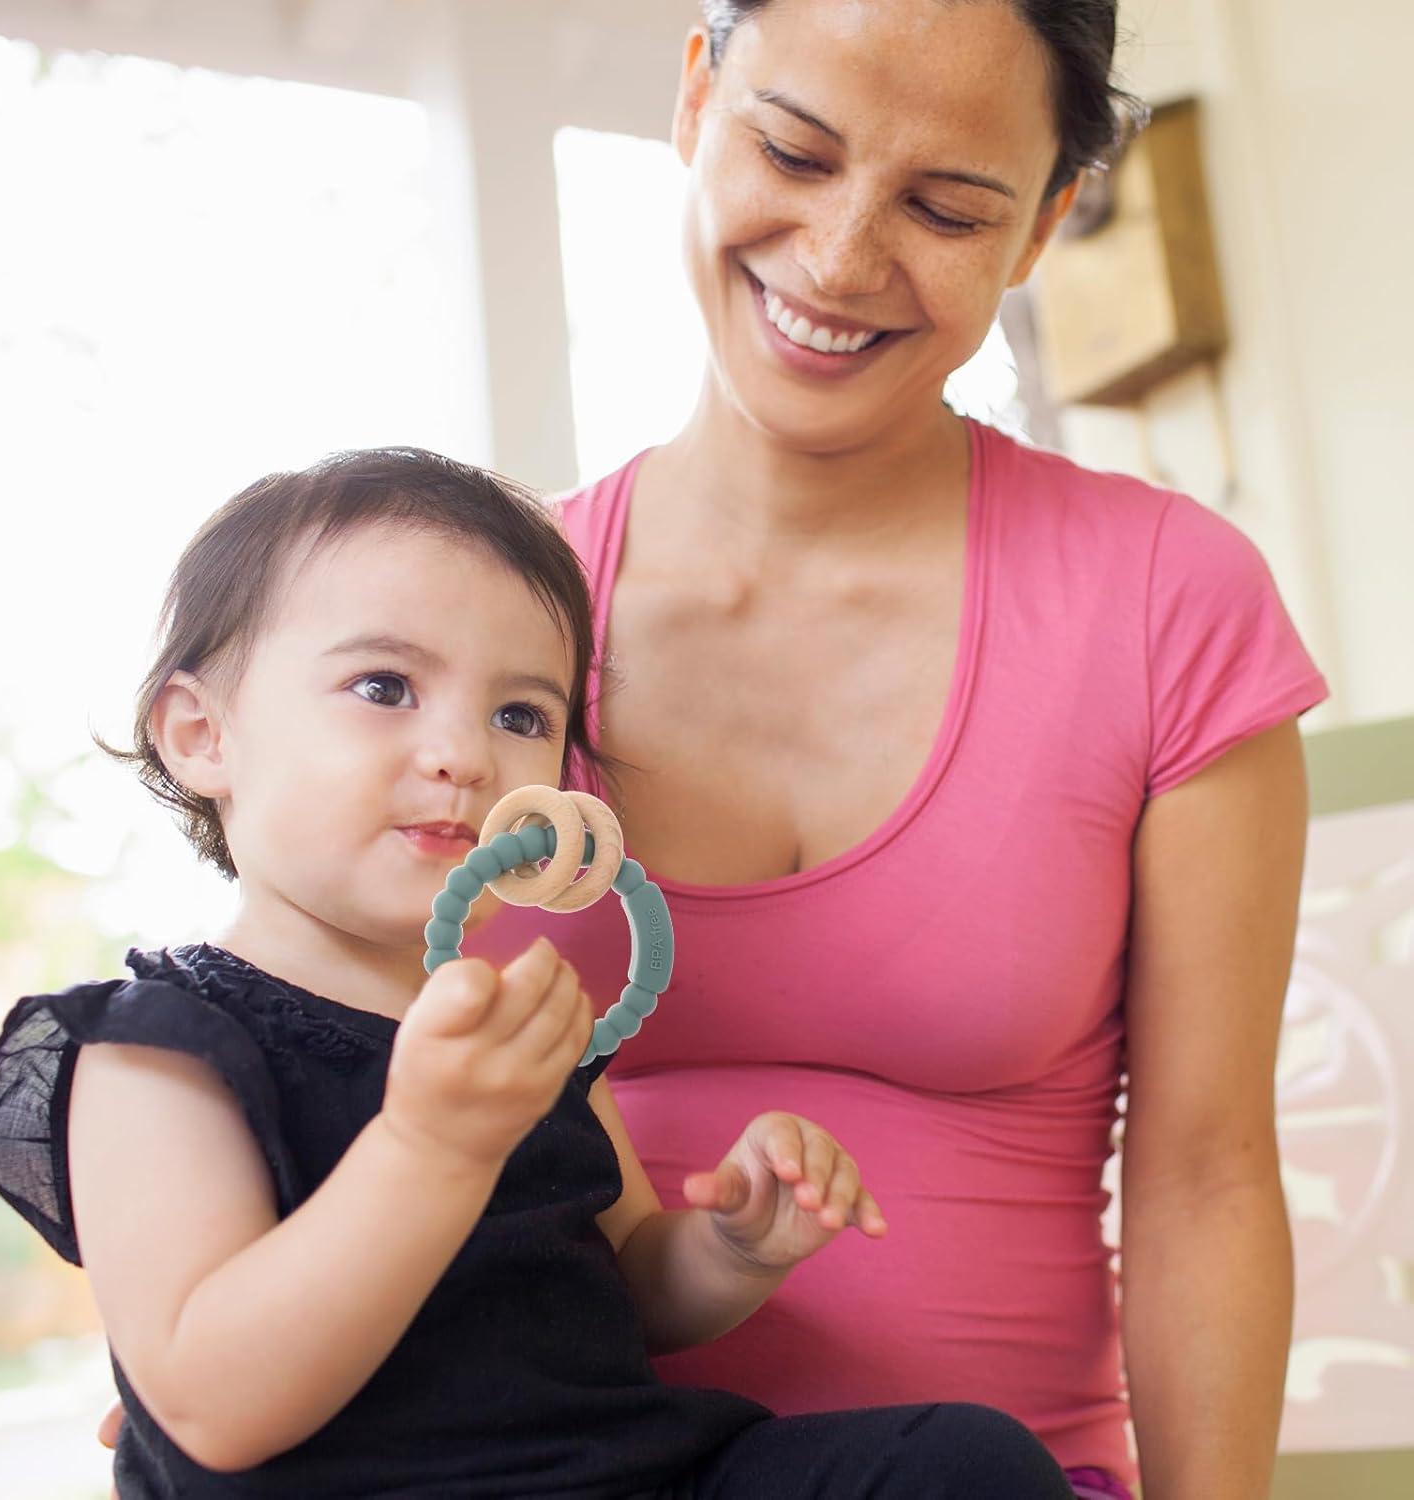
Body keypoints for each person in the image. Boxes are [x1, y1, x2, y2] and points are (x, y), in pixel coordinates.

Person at [462, 3, 1331, 1498]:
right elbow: (327, 1041)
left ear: (1049, 220)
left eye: (946, 207)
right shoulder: (483, 617)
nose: (844, 258)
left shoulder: (1165, 602)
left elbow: (1205, 1177)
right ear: (696, 93)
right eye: (794, 151)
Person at [0, 448, 1075, 1497]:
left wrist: (731, 1247)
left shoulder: (525, 1022)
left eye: (519, 713)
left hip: (621, 1471)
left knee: (968, 1464)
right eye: (385, 686)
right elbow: (214, 1408)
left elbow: (631, 1288)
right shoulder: (155, 1049)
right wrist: (431, 1145)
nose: (462, 752)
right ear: (201, 735)